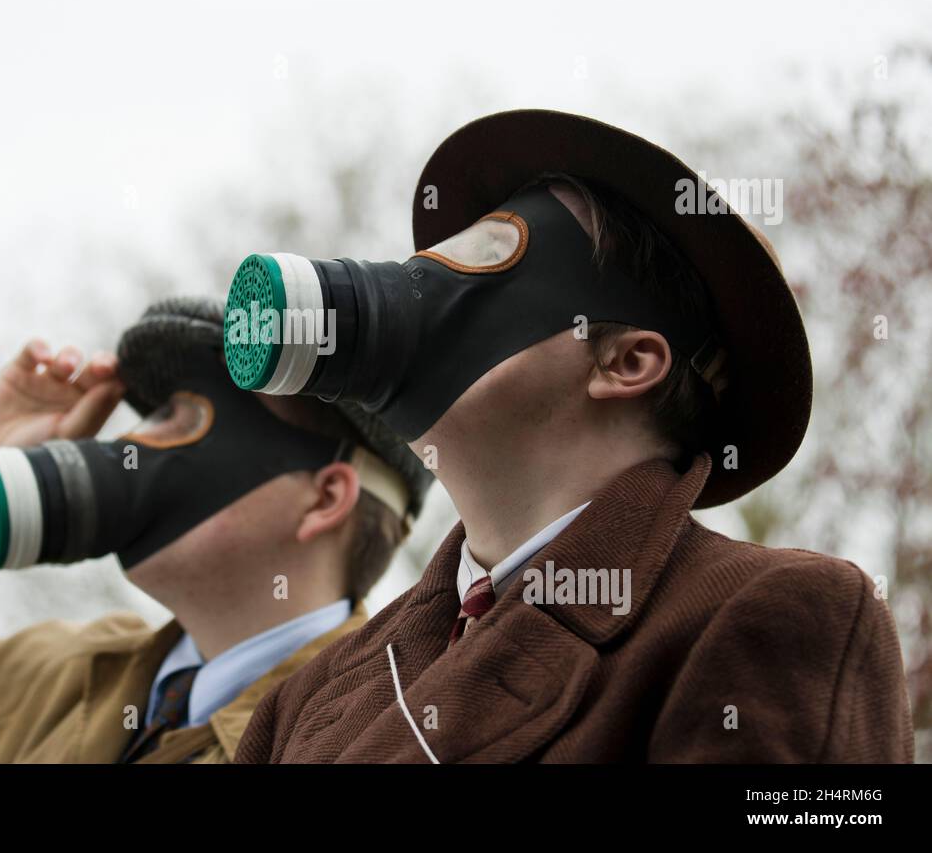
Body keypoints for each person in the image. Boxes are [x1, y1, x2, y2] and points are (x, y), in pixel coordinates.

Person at [225, 110, 914, 762]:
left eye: (491, 253)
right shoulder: (309, 698)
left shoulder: (773, 619)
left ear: (627, 362)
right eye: (445, 251)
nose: (425, 278)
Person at [0, 297, 433, 763]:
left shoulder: (391, 731)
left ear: (325, 498)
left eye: (186, 424)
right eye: (149, 417)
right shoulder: (46, 678)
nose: (130, 448)